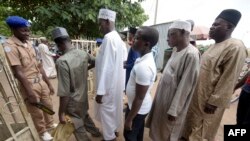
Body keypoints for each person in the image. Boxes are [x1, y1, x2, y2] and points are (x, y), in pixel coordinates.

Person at [181, 9, 248, 141]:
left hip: (208, 104)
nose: (212, 27)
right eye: (212, 24)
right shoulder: (213, 46)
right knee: (189, 129)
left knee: (201, 132)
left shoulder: (235, 47)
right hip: (197, 98)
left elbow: (229, 77)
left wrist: (214, 102)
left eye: (217, 24)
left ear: (229, 27)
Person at [146, 20, 200, 141]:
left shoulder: (191, 54)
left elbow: (186, 85)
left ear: (183, 33)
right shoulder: (176, 49)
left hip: (172, 102)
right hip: (163, 97)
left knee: (168, 132)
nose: (167, 38)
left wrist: (174, 110)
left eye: (171, 34)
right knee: (158, 128)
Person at [4, 16, 55, 141]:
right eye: (24, 30)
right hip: (29, 84)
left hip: (41, 81)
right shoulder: (9, 46)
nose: (28, 33)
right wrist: (30, 92)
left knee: (48, 105)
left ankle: (50, 125)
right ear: (13, 30)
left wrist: (48, 83)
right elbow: (18, 72)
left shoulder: (29, 44)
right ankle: (42, 132)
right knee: (36, 111)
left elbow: (39, 65)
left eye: (28, 30)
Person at [52, 27, 101, 141]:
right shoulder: (83, 53)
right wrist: (86, 69)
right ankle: (95, 132)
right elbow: (95, 61)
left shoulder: (62, 61)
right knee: (84, 114)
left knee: (77, 124)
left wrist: (61, 113)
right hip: (83, 97)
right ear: (70, 40)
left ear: (59, 45)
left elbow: (65, 92)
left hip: (72, 102)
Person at [95, 8, 127, 141]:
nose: (99, 26)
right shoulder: (118, 38)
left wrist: (101, 91)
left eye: (100, 22)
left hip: (108, 87)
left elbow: (107, 67)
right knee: (113, 111)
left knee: (107, 113)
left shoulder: (108, 38)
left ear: (107, 21)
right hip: (116, 85)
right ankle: (114, 132)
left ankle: (110, 138)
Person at [123, 26, 158, 141]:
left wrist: (129, 119)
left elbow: (139, 97)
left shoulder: (144, 66)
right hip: (136, 107)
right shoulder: (142, 59)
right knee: (137, 134)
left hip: (137, 109)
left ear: (146, 44)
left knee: (129, 136)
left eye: (137, 38)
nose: (132, 40)